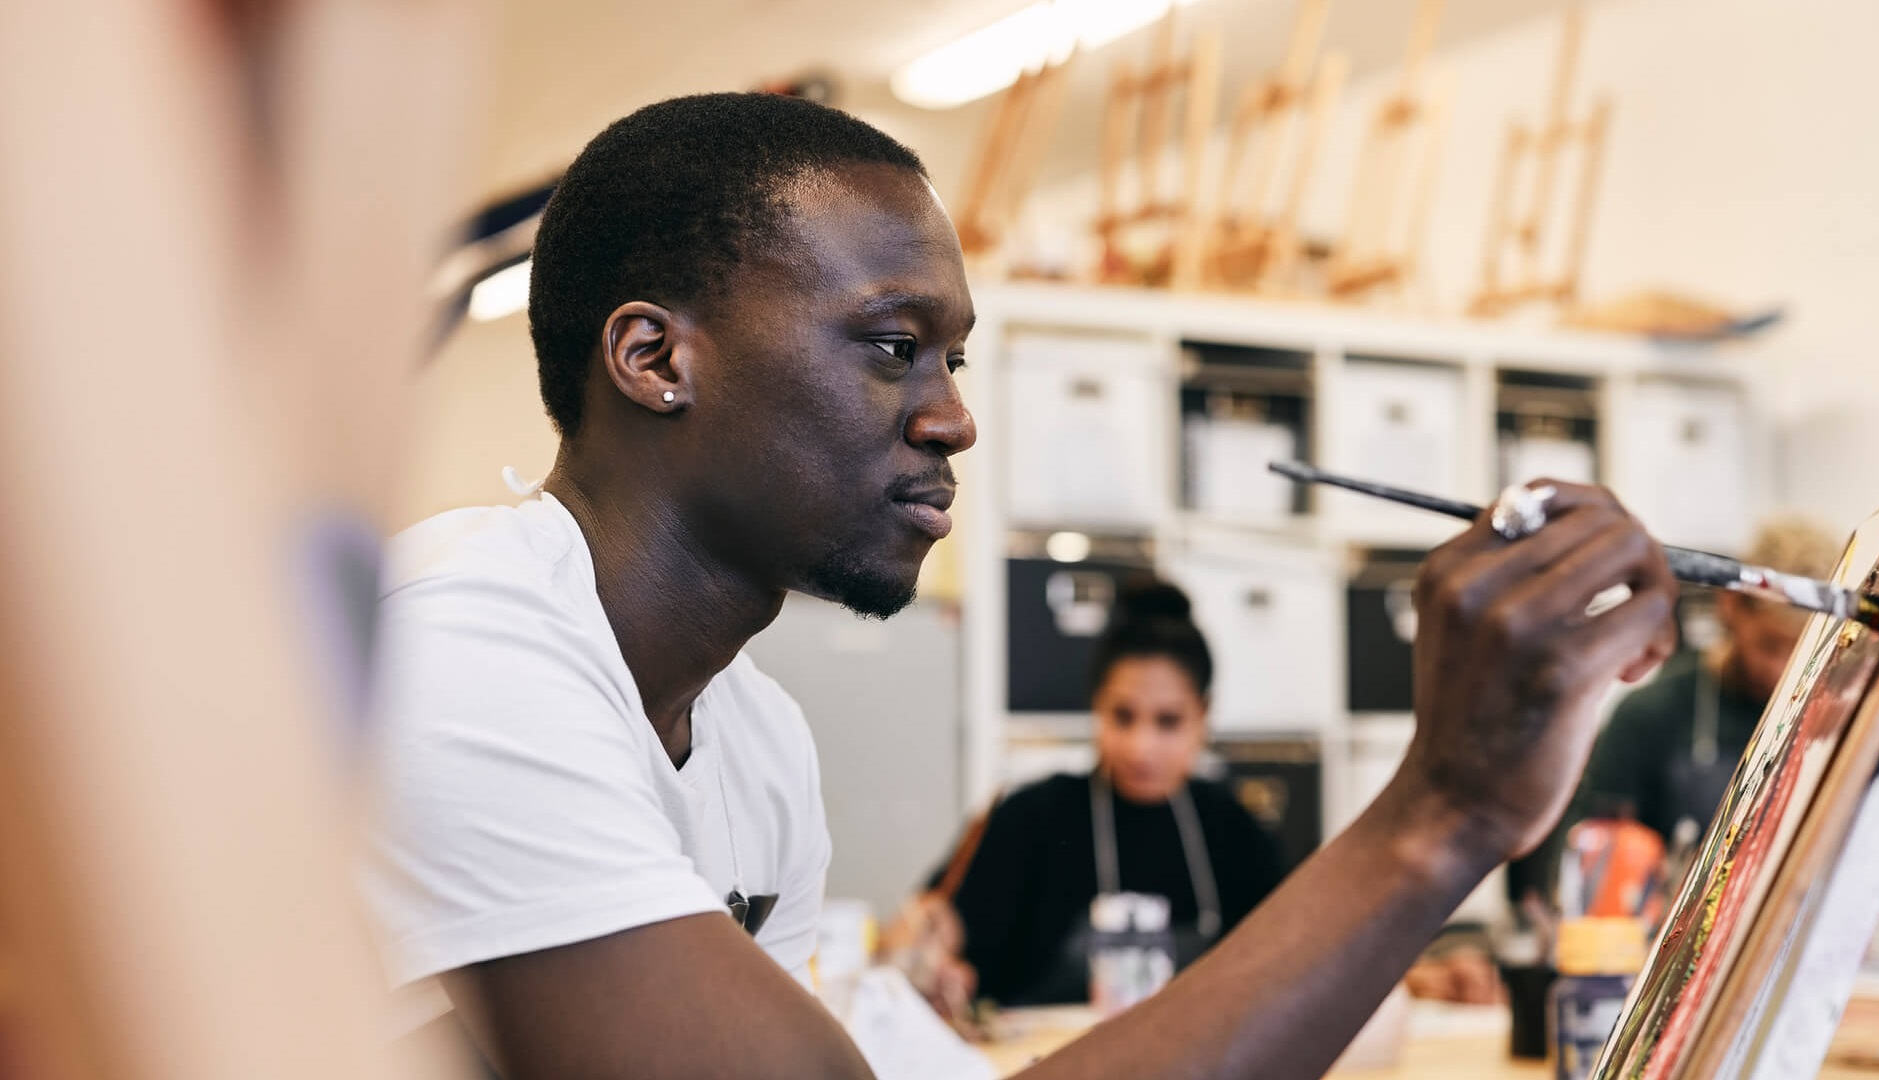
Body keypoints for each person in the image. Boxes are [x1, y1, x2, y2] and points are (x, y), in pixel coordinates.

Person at [367, 90, 1678, 1079]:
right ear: (655, 359)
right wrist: (1439, 816)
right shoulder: (464, 657)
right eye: (892, 348)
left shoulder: (754, 745)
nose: (952, 421)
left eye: (956, 364)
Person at [898, 580, 1289, 1009]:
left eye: (1168, 721)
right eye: (1122, 717)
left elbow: (1289, 955)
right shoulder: (1031, 817)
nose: (1142, 747)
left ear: (1204, 714)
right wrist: (927, 956)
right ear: (1096, 705)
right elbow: (932, 926)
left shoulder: (1232, 830)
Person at [1509, 517, 1840, 903]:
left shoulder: (1836, 721)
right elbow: (1587, 862)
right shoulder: (1648, 715)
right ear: (1730, 606)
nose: (1782, 669)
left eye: (1804, 652)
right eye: (1769, 646)